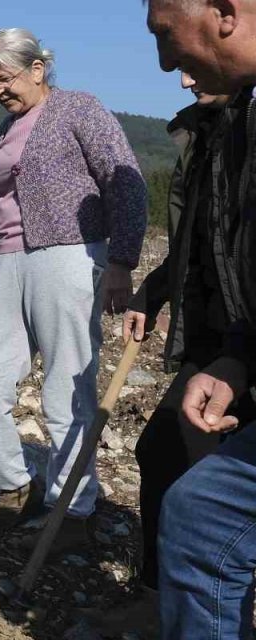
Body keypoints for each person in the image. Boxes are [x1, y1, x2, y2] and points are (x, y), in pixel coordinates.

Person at [0, 28, 147, 554]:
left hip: (69, 253)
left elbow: (125, 180)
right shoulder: (5, 127)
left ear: (37, 69)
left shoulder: (78, 109)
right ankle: (17, 486)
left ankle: (74, 509)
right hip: (8, 261)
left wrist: (123, 261)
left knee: (67, 386)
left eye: (4, 78)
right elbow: (4, 199)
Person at [91, 72, 246, 636]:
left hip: (244, 331)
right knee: (164, 451)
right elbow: (198, 242)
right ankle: (162, 599)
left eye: (188, 55)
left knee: (214, 484)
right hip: (218, 334)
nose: (181, 77)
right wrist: (154, 292)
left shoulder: (243, 132)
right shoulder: (203, 137)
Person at [144, 1, 256, 636]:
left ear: (222, 12)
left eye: (166, 33)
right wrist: (238, 356)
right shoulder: (229, 126)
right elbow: (202, 241)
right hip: (227, 338)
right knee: (198, 504)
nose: (169, 65)